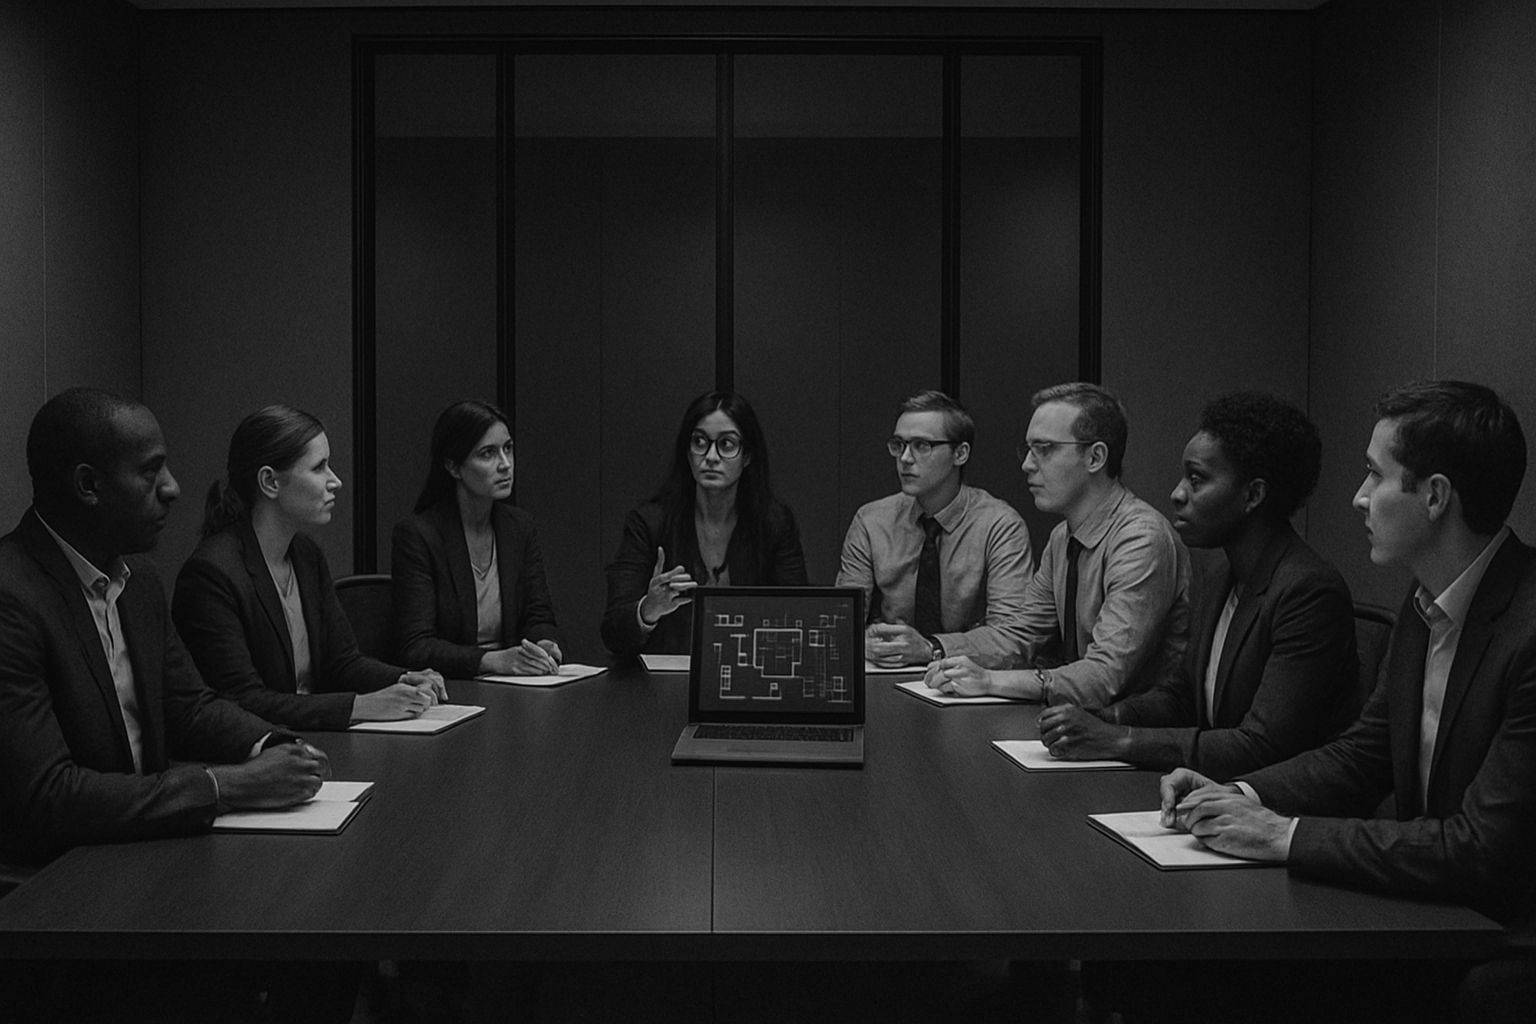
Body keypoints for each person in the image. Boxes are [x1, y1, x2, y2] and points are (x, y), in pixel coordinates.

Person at [1160, 381, 1536, 1023]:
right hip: (1440, 905)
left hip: (1504, 928)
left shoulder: (1527, 629)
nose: (1358, 498)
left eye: (1373, 475)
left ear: (1436, 496)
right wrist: (1241, 795)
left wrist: (1286, 835)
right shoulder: (1425, 605)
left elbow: (1484, 851)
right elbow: (1363, 758)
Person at [0, 388, 334, 1020]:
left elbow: (191, 706)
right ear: (88, 485)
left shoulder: (138, 582)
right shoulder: (11, 596)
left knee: (325, 931)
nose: (175, 489)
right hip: (55, 889)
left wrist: (269, 744)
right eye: (151, 471)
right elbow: (47, 795)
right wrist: (227, 786)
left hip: (139, 851)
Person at [1036, 392, 1360, 779]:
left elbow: (1262, 745)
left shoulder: (1308, 591)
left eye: (1197, 479)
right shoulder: (1224, 574)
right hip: (1208, 791)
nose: (1177, 493)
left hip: (1273, 812)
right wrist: (1104, 716)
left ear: (1253, 495)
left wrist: (1118, 739)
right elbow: (1182, 697)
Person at [174, 405, 446, 731]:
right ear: (270, 482)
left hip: (311, 738)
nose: (336, 481)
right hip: (256, 753)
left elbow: (341, 662)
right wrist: (359, 706)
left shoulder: (305, 553)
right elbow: (240, 700)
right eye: (319, 468)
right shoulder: (211, 575)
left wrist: (403, 678)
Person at [925, 382, 1188, 705]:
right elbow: (1020, 635)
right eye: (1028, 449)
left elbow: (1105, 674)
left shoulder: (1141, 538)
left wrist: (990, 680)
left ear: (1095, 457)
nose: (1027, 465)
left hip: (1137, 736)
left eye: (1044, 449)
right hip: (1083, 724)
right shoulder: (1063, 537)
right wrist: (935, 649)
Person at [602, 391, 807, 657]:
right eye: (699, 442)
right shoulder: (650, 522)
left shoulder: (773, 524)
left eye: (727, 444)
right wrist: (647, 610)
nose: (711, 456)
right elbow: (612, 632)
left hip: (749, 676)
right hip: (663, 683)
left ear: (747, 456)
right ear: (687, 453)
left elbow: (800, 618)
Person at [837, 389, 1033, 668]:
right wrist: (862, 640)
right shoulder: (871, 521)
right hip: (887, 674)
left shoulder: (1000, 526)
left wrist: (932, 648)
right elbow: (843, 625)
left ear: (960, 453)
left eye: (922, 446)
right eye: (899, 444)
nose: (905, 458)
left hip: (968, 679)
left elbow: (1014, 637)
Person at [393, 399, 565, 678]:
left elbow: (540, 617)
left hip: (515, 684)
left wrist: (545, 644)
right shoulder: (418, 535)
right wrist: (491, 660)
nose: (505, 464)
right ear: (454, 467)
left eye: (508, 449)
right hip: (454, 689)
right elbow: (416, 647)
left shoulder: (519, 528)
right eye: (488, 454)